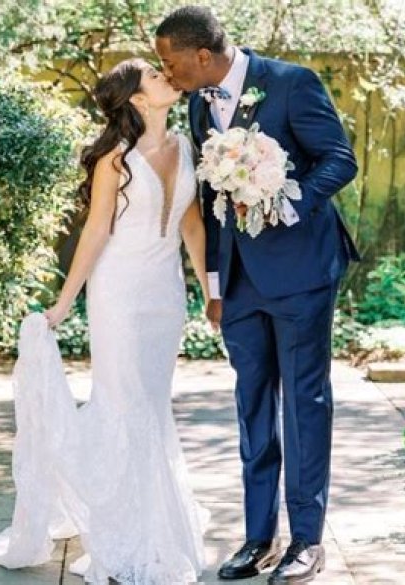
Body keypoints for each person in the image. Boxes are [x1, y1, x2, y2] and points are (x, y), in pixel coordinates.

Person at [0, 57, 209, 585]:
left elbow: (193, 228)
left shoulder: (185, 147)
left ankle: (152, 522)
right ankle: (127, 532)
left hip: (165, 297)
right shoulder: (115, 158)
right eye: (153, 76)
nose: (165, 77)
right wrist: (65, 303)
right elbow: (96, 232)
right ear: (137, 99)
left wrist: (211, 295)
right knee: (127, 405)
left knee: (153, 404)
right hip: (119, 295)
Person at [155, 6, 360, 584]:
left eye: (169, 62)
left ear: (202, 55)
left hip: (302, 273)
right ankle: (257, 538)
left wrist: (287, 201)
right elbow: (211, 203)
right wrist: (216, 285)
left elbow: (339, 160)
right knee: (251, 407)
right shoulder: (199, 104)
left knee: (304, 403)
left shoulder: (292, 83)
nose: (166, 73)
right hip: (240, 282)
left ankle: (307, 541)